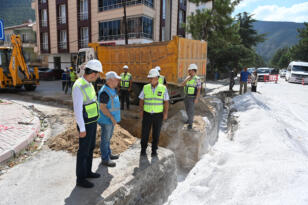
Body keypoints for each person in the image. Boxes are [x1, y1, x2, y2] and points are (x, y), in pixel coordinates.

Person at [72, 59, 102, 188]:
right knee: (83, 151)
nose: (98, 76)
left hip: (92, 122)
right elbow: (77, 110)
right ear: (93, 73)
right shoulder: (78, 86)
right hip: (85, 124)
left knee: (90, 148)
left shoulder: (89, 84)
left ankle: (88, 172)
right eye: (98, 74)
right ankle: (81, 178)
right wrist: (82, 129)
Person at [139, 68, 169, 157]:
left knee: (156, 133)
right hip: (147, 114)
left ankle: (154, 150)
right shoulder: (145, 87)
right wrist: (141, 110)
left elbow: (166, 101)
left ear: (157, 78)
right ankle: (143, 149)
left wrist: (165, 113)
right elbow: (141, 99)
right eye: (149, 78)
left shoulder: (163, 88)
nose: (150, 80)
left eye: (151, 78)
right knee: (145, 133)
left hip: (158, 115)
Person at [98, 71, 121, 167]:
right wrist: (112, 117)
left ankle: (109, 154)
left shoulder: (111, 89)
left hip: (110, 120)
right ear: (110, 80)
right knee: (105, 139)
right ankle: (105, 159)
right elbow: (103, 108)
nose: (118, 81)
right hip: (106, 120)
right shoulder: (105, 91)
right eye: (116, 79)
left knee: (108, 138)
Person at [182, 64, 201, 130]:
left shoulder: (197, 79)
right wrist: (187, 79)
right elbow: (182, 84)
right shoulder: (187, 78)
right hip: (186, 96)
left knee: (191, 110)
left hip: (192, 97)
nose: (188, 72)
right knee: (187, 109)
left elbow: (198, 90)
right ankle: (189, 120)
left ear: (193, 70)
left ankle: (190, 124)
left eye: (189, 70)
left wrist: (196, 99)